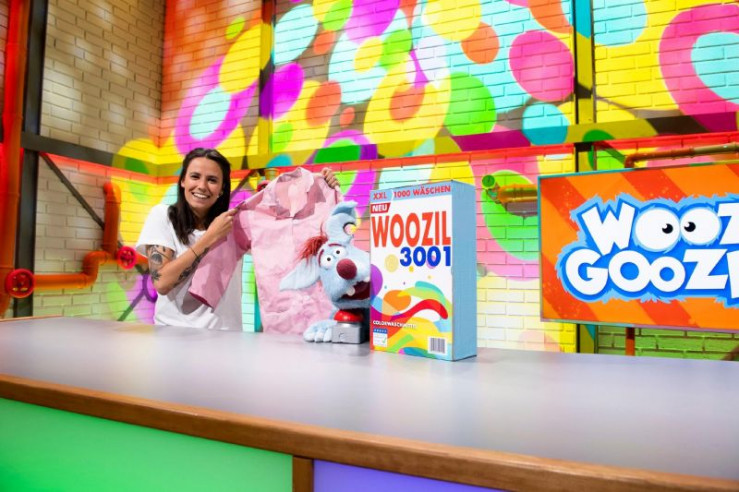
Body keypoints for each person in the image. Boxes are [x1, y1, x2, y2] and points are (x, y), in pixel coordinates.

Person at [135, 147, 339, 329]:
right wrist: (211, 236)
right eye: (195, 177)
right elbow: (162, 283)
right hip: (174, 333)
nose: (202, 186)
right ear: (183, 181)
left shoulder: (235, 222)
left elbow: (284, 241)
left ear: (222, 188)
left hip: (225, 336)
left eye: (212, 180)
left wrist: (319, 188)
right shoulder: (163, 216)